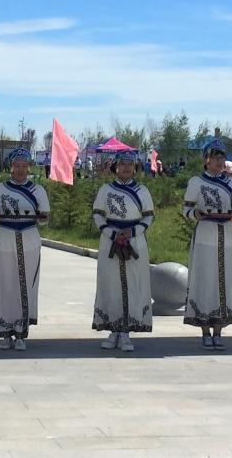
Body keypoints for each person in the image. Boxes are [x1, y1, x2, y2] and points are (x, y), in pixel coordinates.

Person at [0, 147, 49, 350]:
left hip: (29, 237)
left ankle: (21, 331)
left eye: (24, 166)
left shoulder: (38, 190)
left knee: (26, 283)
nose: (21, 170)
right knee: (4, 282)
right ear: (11, 167)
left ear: (29, 167)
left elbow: (45, 218)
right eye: (17, 166)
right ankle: (4, 331)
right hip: (5, 237)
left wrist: (41, 218)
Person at [182, 138, 232, 350]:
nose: (219, 161)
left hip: (226, 236)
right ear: (206, 160)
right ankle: (205, 330)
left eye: (222, 157)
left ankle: (219, 328)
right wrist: (196, 214)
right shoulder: (197, 182)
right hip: (204, 236)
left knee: (224, 281)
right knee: (205, 280)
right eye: (215, 157)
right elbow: (187, 210)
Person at [92, 149, 154, 351]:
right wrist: (112, 233)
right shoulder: (105, 190)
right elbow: (98, 215)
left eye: (130, 164)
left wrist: (132, 231)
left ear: (135, 168)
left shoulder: (142, 191)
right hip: (110, 241)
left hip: (134, 241)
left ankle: (126, 331)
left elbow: (149, 217)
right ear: (115, 167)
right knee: (111, 284)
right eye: (122, 164)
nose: (126, 168)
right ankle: (113, 329)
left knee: (133, 283)